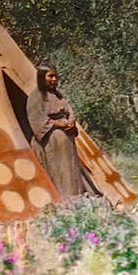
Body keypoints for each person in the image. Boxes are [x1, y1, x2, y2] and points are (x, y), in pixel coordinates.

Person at [26, 66, 85, 198]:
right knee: (58, 171)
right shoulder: (36, 97)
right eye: (50, 76)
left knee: (69, 169)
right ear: (42, 78)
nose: (54, 79)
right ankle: (63, 198)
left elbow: (69, 111)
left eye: (55, 76)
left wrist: (71, 121)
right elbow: (37, 120)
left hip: (66, 141)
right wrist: (58, 124)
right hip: (51, 141)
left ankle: (75, 197)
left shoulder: (58, 95)